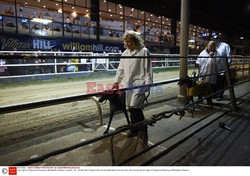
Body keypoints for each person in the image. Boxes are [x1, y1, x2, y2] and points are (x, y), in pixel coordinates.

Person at [113, 30, 153, 137]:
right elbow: (120, 69)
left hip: (140, 83)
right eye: (126, 42)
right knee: (130, 108)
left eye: (130, 42)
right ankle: (135, 128)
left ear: (135, 41)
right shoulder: (125, 53)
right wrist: (116, 82)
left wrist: (147, 86)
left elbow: (148, 70)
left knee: (135, 107)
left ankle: (143, 128)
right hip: (129, 84)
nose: (127, 45)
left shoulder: (143, 51)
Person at [213, 35, 232, 101]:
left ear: (218, 39)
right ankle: (215, 94)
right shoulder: (214, 46)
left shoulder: (225, 45)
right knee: (215, 81)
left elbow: (229, 56)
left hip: (223, 68)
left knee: (221, 82)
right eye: (213, 39)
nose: (213, 40)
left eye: (215, 39)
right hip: (215, 67)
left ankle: (220, 95)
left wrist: (227, 66)